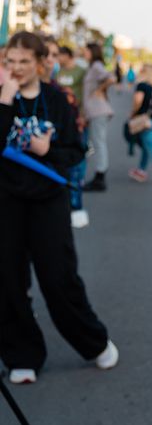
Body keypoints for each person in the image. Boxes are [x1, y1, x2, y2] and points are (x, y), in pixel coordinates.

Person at [0, 32, 118, 385]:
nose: (17, 68)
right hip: (6, 201)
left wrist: (45, 151)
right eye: (10, 62)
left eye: (23, 61)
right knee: (8, 280)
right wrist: (6, 99)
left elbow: (75, 153)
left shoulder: (58, 100)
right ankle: (22, 354)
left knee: (59, 277)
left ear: (40, 63)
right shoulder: (2, 98)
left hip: (48, 200)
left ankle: (92, 341)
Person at [53, 45, 90, 227]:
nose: (55, 59)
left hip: (76, 117)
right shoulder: (57, 73)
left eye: (57, 55)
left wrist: (83, 115)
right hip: (62, 117)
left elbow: (86, 94)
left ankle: (77, 200)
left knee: (77, 157)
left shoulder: (81, 71)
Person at [81, 42, 116, 192]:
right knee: (94, 143)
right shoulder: (92, 66)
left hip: (98, 110)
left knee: (99, 143)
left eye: (86, 50)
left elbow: (111, 78)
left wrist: (100, 90)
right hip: (93, 111)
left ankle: (100, 177)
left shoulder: (96, 66)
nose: (84, 53)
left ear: (92, 51)